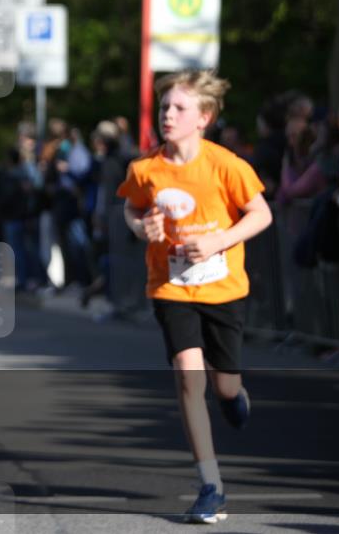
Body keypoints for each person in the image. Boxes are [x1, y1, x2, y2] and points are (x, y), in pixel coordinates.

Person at [117, 70, 272, 524]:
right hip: (171, 286)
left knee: (222, 383)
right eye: (165, 106)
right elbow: (132, 206)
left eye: (178, 108)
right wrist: (138, 227)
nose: (168, 114)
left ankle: (233, 394)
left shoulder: (226, 165)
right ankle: (211, 485)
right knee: (188, 375)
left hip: (224, 288)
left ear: (203, 117)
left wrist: (218, 241)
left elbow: (261, 214)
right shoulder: (145, 169)